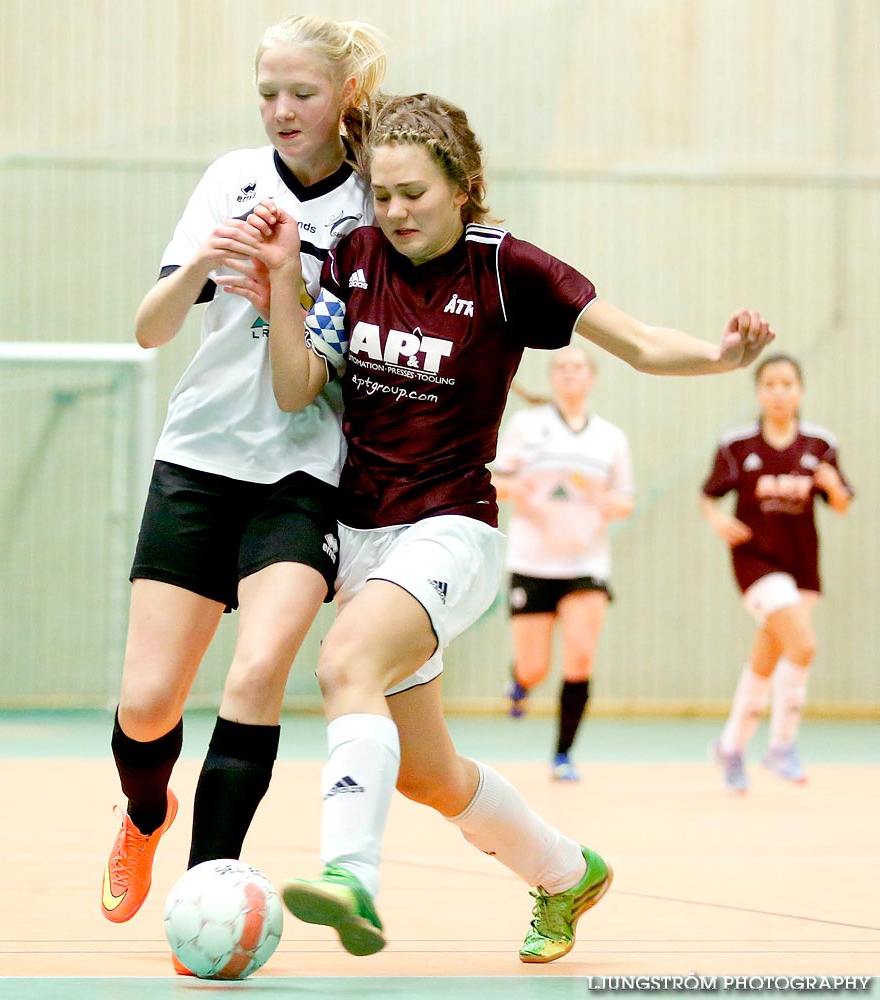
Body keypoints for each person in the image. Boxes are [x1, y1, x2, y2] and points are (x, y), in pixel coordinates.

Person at [219, 92, 775, 964]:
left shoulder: (507, 269)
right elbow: (296, 387)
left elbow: (632, 340)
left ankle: (350, 877)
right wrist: (285, 287)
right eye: (383, 193)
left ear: (464, 187)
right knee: (426, 772)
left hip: (450, 528)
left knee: (343, 664)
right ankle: (566, 873)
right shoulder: (355, 255)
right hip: (360, 537)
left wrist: (716, 355)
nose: (395, 211)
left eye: (414, 193)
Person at [100, 14, 387, 940]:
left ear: (345, 96)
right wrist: (202, 268)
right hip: (198, 463)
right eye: (268, 92)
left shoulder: (376, 206)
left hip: (304, 477)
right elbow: (149, 331)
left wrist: (291, 292)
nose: (280, 110)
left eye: (301, 92)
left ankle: (203, 896)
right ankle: (146, 815)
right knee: (147, 705)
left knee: (258, 674)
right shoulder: (232, 178)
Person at [702, 354, 851, 793]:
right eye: (770, 384)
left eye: (787, 384)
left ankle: (730, 747)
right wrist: (715, 519)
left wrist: (832, 486)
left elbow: (841, 504)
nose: (779, 392)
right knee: (803, 645)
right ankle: (782, 746)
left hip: (803, 565)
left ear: (800, 391)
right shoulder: (737, 446)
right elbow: (708, 495)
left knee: (766, 659)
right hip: (756, 562)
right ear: (758, 392)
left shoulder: (820, 445)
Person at [492, 346, 634, 781]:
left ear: (592, 377)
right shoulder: (526, 427)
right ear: (553, 378)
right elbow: (493, 481)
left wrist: (616, 504)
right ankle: (520, 682)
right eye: (562, 367)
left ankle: (563, 754)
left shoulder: (610, 438)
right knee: (535, 665)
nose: (570, 373)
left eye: (578, 367)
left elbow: (625, 498)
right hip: (532, 560)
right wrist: (514, 486)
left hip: (586, 563)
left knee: (580, 656)